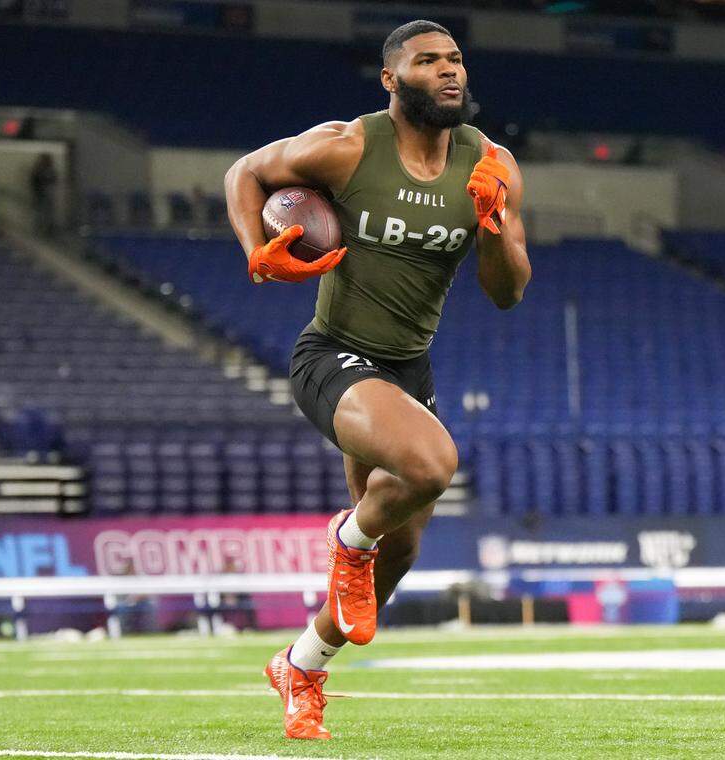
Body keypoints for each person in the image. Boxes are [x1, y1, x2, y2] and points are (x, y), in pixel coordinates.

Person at [224, 19, 531, 741]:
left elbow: (508, 291)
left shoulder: (491, 164)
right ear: (391, 79)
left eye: (455, 59)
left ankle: (300, 667)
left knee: (400, 551)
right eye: (428, 61)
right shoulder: (348, 146)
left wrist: (492, 223)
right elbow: (246, 173)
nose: (449, 71)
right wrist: (256, 250)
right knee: (432, 465)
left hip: (406, 368)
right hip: (332, 354)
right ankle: (348, 538)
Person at [29, 153, 58, 235]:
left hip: (48, 194)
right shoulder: (38, 171)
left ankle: (48, 230)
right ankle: (39, 230)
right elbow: (34, 182)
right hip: (39, 195)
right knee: (39, 213)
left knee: (48, 213)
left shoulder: (51, 171)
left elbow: (54, 180)